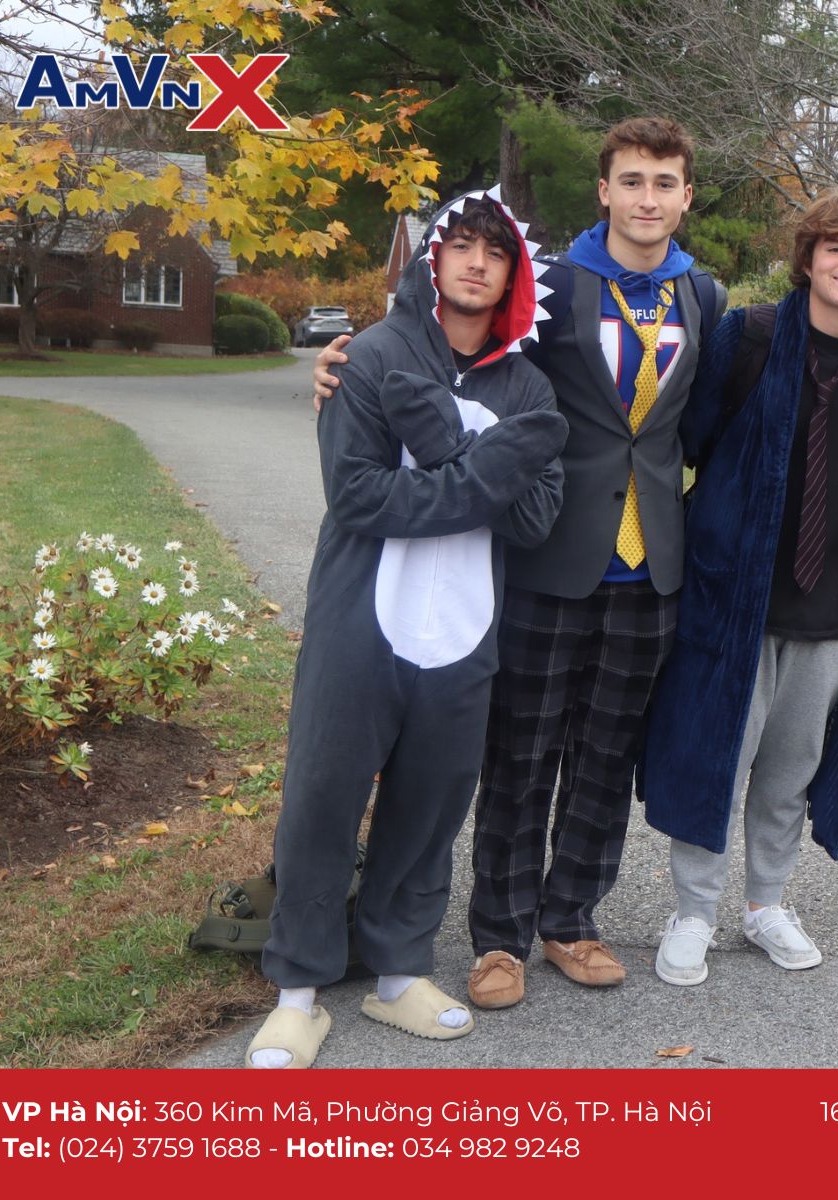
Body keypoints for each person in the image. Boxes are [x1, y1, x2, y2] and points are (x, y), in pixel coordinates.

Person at [312, 117, 724, 1009]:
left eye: (665, 183)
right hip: (549, 552)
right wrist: (345, 374)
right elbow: (471, 362)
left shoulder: (704, 296)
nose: (648, 198)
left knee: (606, 758)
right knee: (521, 755)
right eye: (632, 181)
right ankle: (498, 937)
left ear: (686, 196)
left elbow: (707, 419)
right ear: (605, 191)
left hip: (652, 565)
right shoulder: (555, 286)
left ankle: (571, 918)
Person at [248, 190, 567, 1068]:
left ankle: (397, 974)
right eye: (459, 245)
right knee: (322, 797)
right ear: (433, 259)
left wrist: (450, 470)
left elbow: (536, 520)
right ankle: (298, 992)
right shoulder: (371, 356)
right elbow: (357, 496)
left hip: (464, 633)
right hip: (360, 622)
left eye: (493, 253)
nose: (475, 263)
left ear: (513, 275)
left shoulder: (528, 387)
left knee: (430, 806)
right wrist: (485, 470)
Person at [642, 190, 838, 986]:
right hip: (736, 600)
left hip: (836, 608)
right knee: (716, 760)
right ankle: (694, 911)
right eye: (835, 248)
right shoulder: (749, 336)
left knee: (791, 773)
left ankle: (765, 905)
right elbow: (691, 439)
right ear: (808, 258)